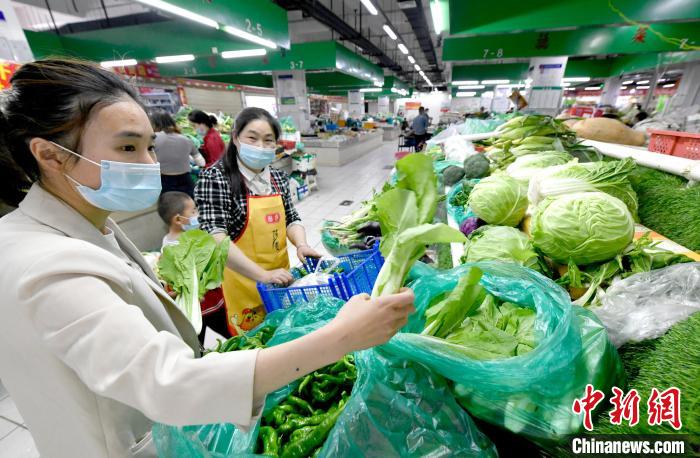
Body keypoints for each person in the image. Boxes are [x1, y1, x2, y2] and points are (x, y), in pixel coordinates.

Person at [0, 59, 415, 458]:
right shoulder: (46, 264)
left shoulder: (87, 224)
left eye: (149, 147)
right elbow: (167, 382)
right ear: (50, 155)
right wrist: (342, 337)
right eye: (128, 147)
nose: (150, 164)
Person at [195, 107, 324, 335]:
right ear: (236, 138)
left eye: (268, 140)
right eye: (252, 138)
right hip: (240, 284)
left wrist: (301, 244)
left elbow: (291, 218)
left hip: (279, 278)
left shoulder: (277, 177)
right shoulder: (216, 178)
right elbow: (215, 237)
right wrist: (263, 276)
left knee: (280, 332)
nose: (261, 146)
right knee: (253, 340)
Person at [151, 110, 204, 197]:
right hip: (185, 182)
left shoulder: (153, 139)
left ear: (154, 124)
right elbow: (201, 162)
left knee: (168, 204)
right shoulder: (186, 139)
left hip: (163, 182)